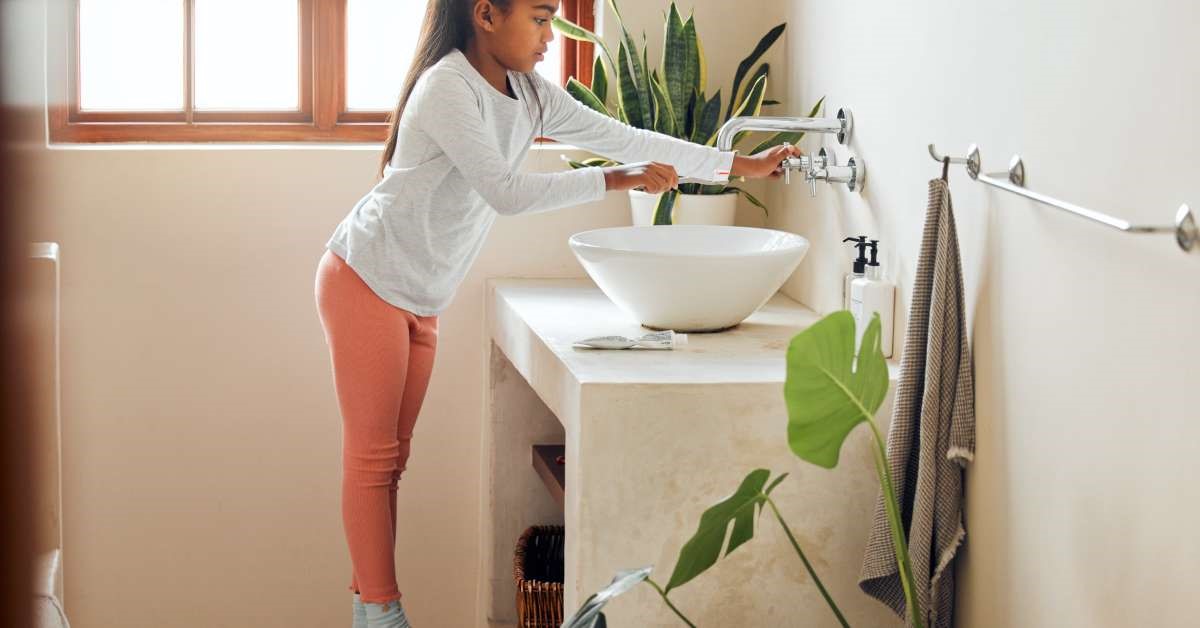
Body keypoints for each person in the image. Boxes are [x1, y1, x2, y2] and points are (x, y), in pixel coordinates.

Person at [313, 1, 800, 626]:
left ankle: (369, 606)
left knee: (391, 463)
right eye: (540, 19)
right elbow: (507, 193)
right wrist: (615, 180)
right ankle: (383, 614)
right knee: (374, 462)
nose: (550, 37)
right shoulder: (446, 88)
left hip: (421, 296)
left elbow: (629, 137)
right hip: (366, 279)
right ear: (485, 15)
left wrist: (742, 166)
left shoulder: (528, 93)